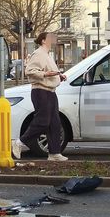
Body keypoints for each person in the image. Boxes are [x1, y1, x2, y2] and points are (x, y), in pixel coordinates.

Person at [12, 32, 68, 161]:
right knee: (43, 121)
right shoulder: (39, 53)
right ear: (43, 41)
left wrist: (59, 76)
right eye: (51, 38)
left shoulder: (46, 55)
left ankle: (54, 153)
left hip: (50, 91)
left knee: (54, 123)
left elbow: (48, 71)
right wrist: (46, 74)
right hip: (41, 92)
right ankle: (19, 142)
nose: (54, 39)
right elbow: (30, 71)